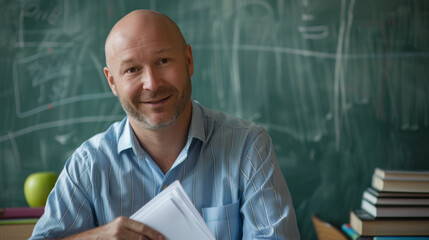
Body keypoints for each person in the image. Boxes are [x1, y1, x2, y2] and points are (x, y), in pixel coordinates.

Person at [30, 9, 300, 240]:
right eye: (132, 69)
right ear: (112, 82)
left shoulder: (247, 147)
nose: (152, 83)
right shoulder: (88, 165)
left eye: (163, 61)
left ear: (188, 61)